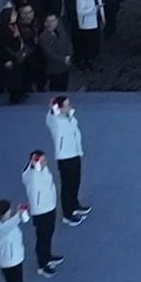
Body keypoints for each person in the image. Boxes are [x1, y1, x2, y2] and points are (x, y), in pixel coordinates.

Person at [48, 95, 90, 223]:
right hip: (65, 157)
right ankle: (67, 213)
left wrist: (79, 151)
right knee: (67, 185)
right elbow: (51, 114)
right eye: (66, 105)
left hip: (75, 154)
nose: (69, 107)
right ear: (59, 108)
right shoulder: (54, 120)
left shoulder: (70, 116)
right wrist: (53, 107)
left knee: (76, 181)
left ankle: (74, 204)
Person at [22, 150, 64, 272]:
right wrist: (35, 165)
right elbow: (29, 176)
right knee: (42, 238)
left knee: (49, 234)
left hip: (50, 207)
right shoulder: (29, 175)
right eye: (41, 160)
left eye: (44, 160)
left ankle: (48, 256)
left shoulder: (44, 169)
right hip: (40, 211)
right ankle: (42, 264)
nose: (44, 162)